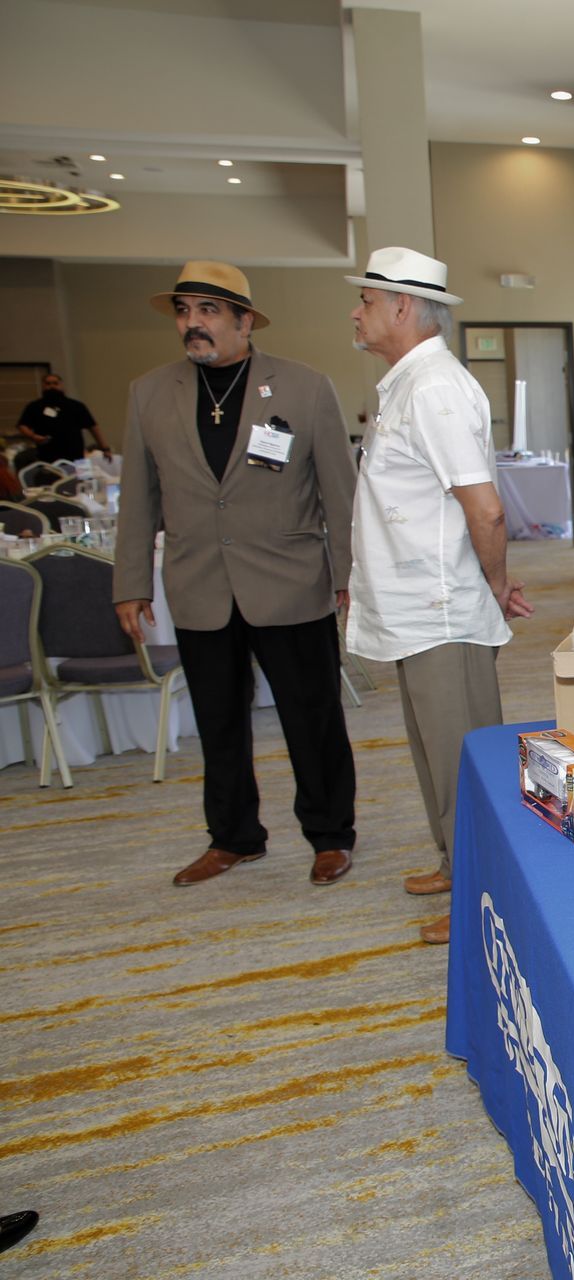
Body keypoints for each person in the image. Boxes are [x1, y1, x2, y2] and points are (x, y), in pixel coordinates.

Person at [112, 261, 359, 887]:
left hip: (289, 581)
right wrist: (131, 583)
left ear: (244, 321)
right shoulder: (149, 391)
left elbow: (340, 491)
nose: (193, 324)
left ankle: (330, 835)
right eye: (184, 311)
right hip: (199, 587)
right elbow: (138, 498)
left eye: (208, 311)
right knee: (218, 721)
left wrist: (350, 573)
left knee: (313, 716)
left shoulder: (303, 387)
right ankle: (233, 837)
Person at [345, 247, 532, 946]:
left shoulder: (437, 389)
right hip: (415, 608)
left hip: (442, 610)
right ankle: (457, 867)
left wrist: (493, 585)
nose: (356, 313)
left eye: (365, 300)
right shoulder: (408, 383)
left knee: (464, 765)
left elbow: (484, 510)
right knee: (433, 757)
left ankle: (483, 898)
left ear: (401, 306)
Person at [16, 372, 109, 463]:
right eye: (48, 384)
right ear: (43, 386)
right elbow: (22, 425)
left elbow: (93, 427)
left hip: (78, 457)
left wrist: (105, 448)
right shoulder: (34, 406)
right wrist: (33, 436)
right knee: (51, 478)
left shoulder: (76, 405)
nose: (52, 386)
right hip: (47, 457)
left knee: (84, 478)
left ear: (61, 385)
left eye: (55, 383)